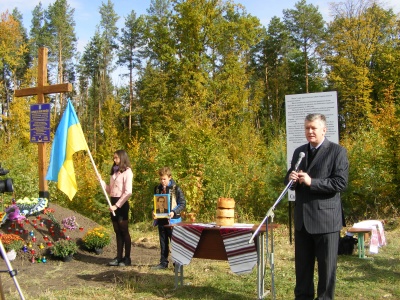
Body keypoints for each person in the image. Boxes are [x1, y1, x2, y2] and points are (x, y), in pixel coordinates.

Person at [284, 113, 349, 300]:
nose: (310, 131)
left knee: (326, 270)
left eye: (313, 128)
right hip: (303, 221)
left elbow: (340, 183)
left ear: (324, 129)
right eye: (307, 128)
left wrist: (313, 182)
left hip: (326, 221)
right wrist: (291, 179)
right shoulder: (299, 152)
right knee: (302, 269)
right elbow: (290, 178)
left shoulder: (337, 152)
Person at [101, 150, 133, 267]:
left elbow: (128, 192)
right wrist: (102, 182)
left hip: (122, 203)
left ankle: (127, 258)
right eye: (113, 158)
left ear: (122, 158)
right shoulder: (113, 172)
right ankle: (118, 257)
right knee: (117, 231)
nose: (114, 160)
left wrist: (117, 205)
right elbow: (110, 190)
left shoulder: (128, 172)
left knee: (124, 230)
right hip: (113, 201)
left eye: (116, 158)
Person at [151, 167, 186, 270]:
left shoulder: (176, 188)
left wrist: (173, 212)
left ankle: (177, 264)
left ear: (170, 177)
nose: (162, 181)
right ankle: (163, 262)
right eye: (161, 179)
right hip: (161, 219)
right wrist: (154, 212)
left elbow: (182, 203)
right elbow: (155, 203)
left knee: (175, 242)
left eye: (164, 179)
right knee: (163, 241)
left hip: (173, 220)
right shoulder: (157, 188)